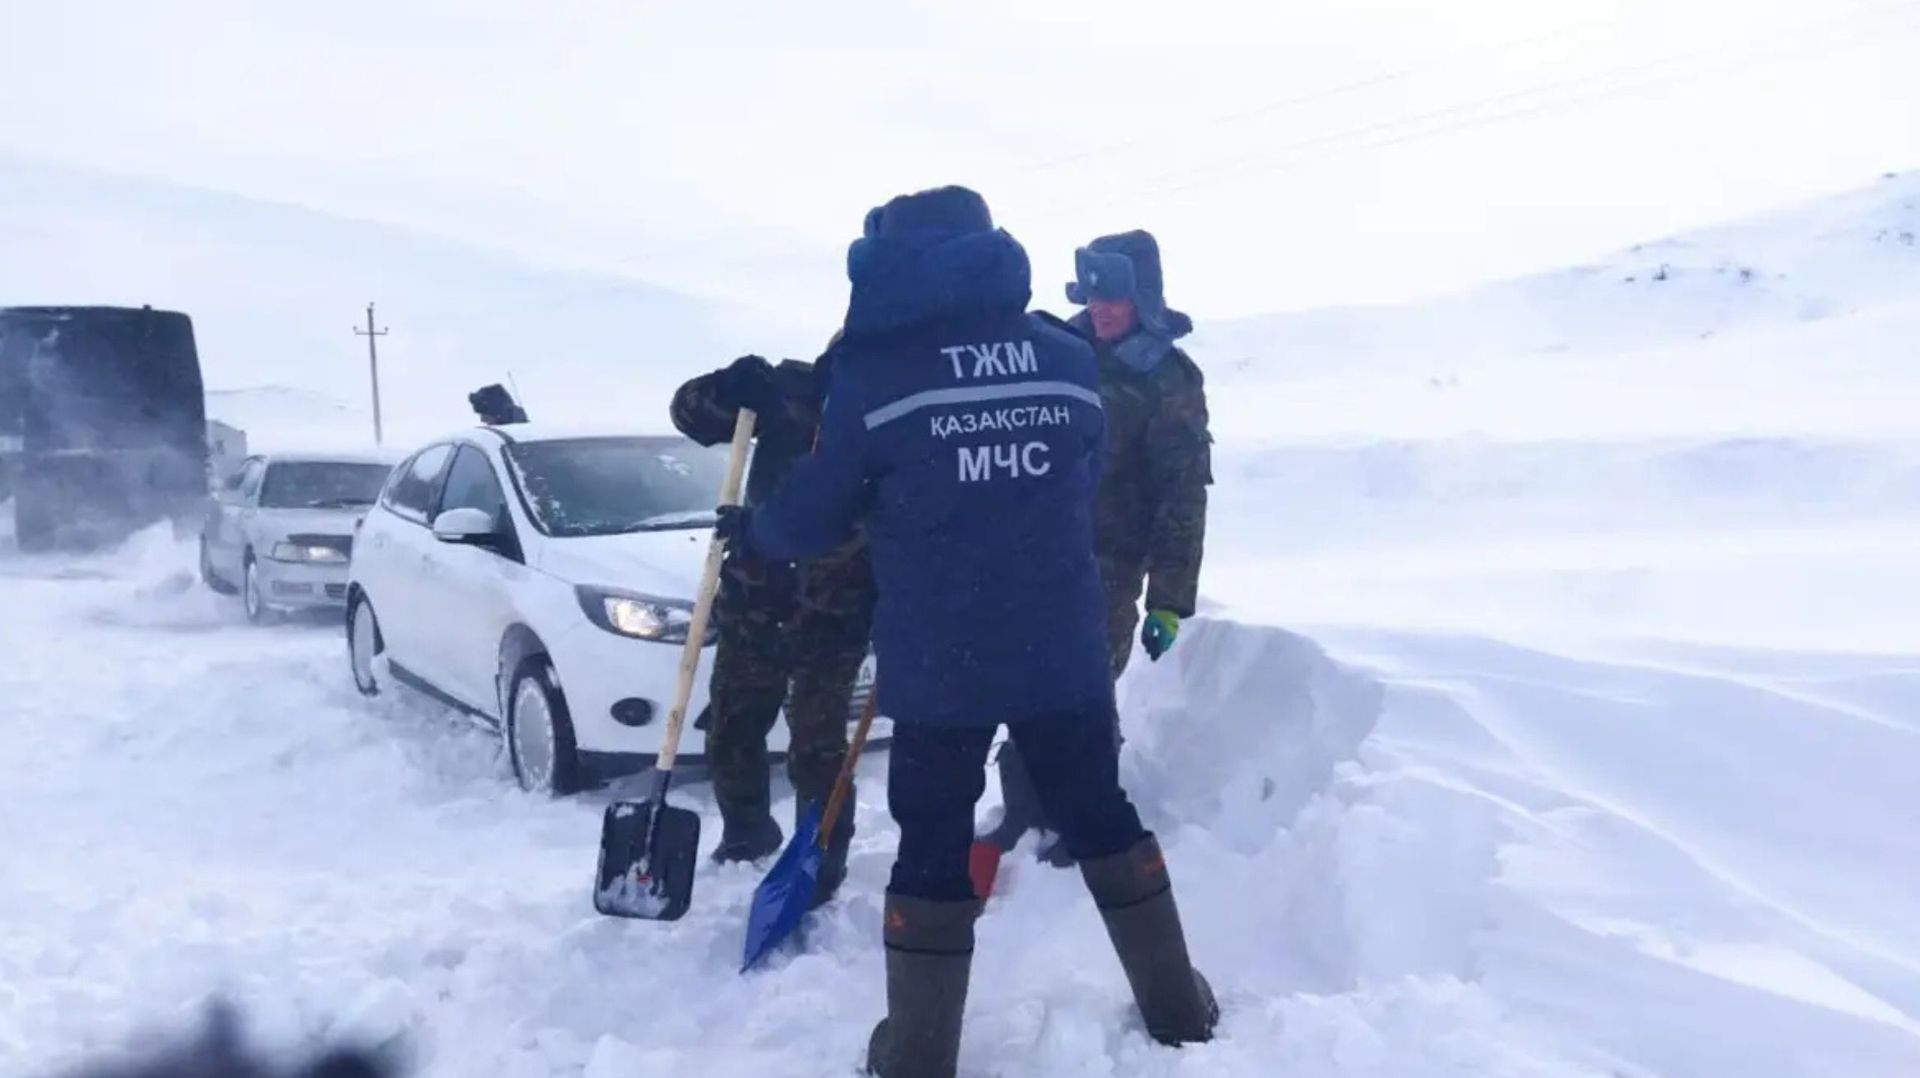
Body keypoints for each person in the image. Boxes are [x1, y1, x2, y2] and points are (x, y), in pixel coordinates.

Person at [714, 186, 1216, 1078]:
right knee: (1101, 812)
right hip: (1061, 649)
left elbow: (817, 517)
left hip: (944, 661)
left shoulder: (877, 376)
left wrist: (754, 529)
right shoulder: (1066, 359)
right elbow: (1086, 472)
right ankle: (1180, 1009)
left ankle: (916, 1055)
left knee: (933, 839)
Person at [986, 228, 1213, 866]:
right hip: (1034, 555)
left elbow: (1182, 496)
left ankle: (1083, 817)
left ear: (1144, 296)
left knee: (1083, 692)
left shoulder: (1168, 380)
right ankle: (1026, 810)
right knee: (1025, 681)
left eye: (1114, 296)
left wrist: (1169, 599)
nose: (1100, 308)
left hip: (1108, 566)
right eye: (1092, 294)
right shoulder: (1054, 350)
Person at [668, 352, 874, 907]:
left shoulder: (885, 411)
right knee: (732, 726)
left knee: (817, 746)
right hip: (755, 601)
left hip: (834, 611)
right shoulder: (785, 391)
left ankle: (821, 856)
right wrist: (722, 386)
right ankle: (745, 835)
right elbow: (688, 416)